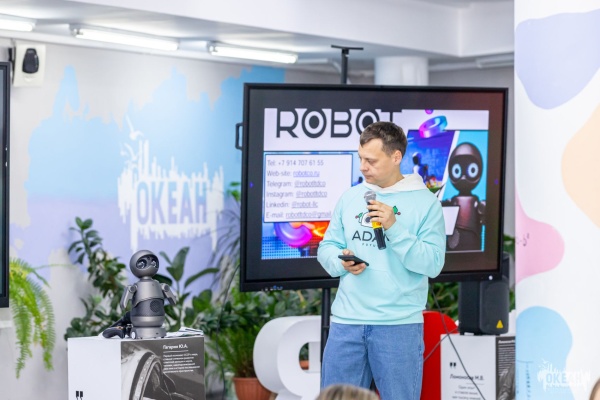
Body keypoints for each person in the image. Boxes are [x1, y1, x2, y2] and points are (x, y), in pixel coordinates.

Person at [317, 121, 446, 400]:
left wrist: (394, 228)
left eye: (371, 161)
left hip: (398, 326)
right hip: (346, 323)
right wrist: (341, 262)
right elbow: (327, 246)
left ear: (396, 157)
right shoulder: (351, 197)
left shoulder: (426, 203)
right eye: (361, 158)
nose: (363, 167)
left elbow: (433, 263)